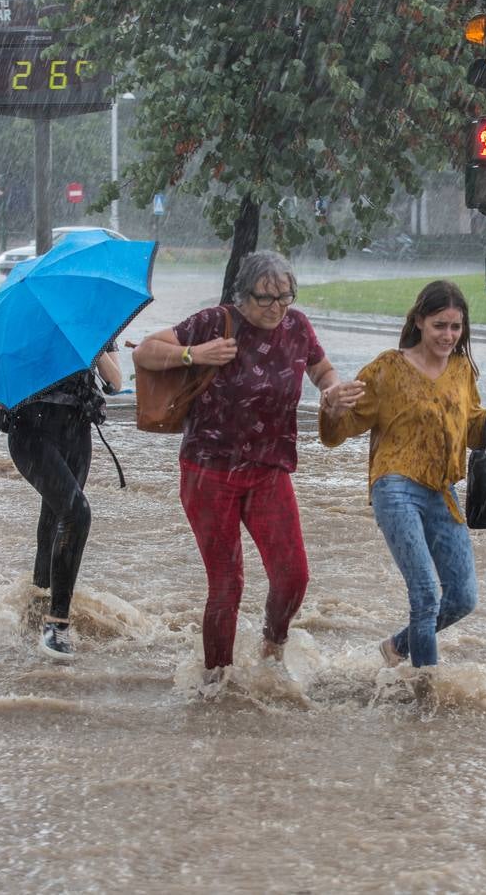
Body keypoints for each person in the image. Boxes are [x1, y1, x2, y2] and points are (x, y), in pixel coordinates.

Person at [319, 280, 486, 669]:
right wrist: (332, 409)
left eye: (456, 327)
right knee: (424, 595)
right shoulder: (387, 368)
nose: (448, 335)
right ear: (419, 321)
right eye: (440, 325)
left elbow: (473, 427)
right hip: (395, 486)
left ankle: (397, 648)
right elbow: (339, 432)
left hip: (442, 492)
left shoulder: (461, 370)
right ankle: (426, 690)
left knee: (462, 598)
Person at [132, 251, 349, 685]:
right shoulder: (215, 322)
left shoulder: (297, 326)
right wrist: (195, 354)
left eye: (286, 297)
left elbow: (322, 369)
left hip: (269, 470)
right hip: (208, 472)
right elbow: (145, 352)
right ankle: (216, 683)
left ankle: (273, 648)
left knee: (293, 575)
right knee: (228, 584)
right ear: (242, 294)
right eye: (266, 298)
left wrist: (331, 389)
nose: (277, 308)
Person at [4, 348, 122, 661]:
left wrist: (92, 349)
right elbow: (4, 376)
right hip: (29, 431)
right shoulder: (27, 323)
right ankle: (57, 624)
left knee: (56, 515)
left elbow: (115, 383)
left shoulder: (95, 326)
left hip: (76, 430)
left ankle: (38, 603)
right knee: (77, 514)